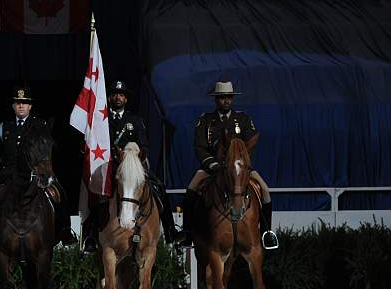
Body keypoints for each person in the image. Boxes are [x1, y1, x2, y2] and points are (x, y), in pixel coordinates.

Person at [174, 81, 278, 248]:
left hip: (238, 169)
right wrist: (213, 165)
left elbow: (250, 145)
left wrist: (241, 165)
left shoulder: (242, 119)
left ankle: (267, 232)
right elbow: (199, 147)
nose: (226, 100)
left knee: (264, 189)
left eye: (229, 97)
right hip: (212, 168)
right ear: (216, 99)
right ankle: (188, 233)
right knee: (191, 189)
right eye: (222, 97)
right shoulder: (206, 120)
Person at [82, 80, 177, 254]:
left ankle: (171, 232)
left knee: (159, 188)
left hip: (132, 167)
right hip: (111, 166)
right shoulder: (103, 120)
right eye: (115, 94)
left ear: (126, 99)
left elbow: (145, 146)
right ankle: (91, 236)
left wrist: (134, 156)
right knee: (97, 194)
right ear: (110, 97)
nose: (118, 97)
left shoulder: (135, 120)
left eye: (122, 95)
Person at [0, 85, 78, 246]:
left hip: (35, 172)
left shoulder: (39, 125)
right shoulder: (4, 127)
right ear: (13, 106)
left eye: (24, 102)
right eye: (18, 102)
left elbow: (46, 148)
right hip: (9, 172)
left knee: (60, 192)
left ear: (30, 106)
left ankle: (65, 231)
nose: (21, 105)